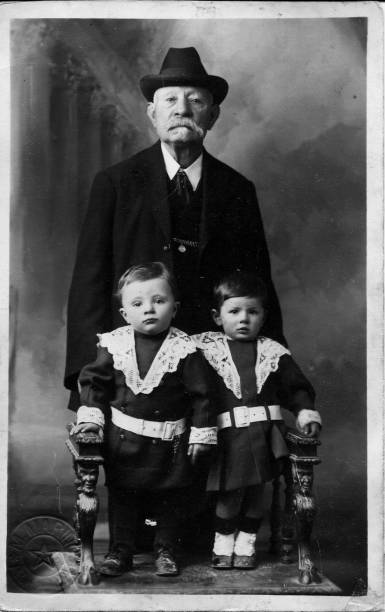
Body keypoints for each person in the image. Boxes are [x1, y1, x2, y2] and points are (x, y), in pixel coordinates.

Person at [64, 46, 285, 411]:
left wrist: (272, 373)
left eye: (195, 101)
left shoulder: (237, 190)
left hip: (215, 375)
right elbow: (89, 285)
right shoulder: (116, 183)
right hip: (132, 373)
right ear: (153, 114)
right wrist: (87, 386)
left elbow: (258, 284)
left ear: (212, 115)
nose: (182, 110)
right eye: (169, 100)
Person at [74, 262, 217, 577]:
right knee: (124, 496)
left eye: (159, 301)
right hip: (125, 442)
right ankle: (120, 551)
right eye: (137, 304)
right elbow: (94, 382)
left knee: (171, 499)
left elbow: (202, 395)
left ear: (175, 308)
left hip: (170, 445)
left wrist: (201, 434)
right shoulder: (115, 344)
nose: (149, 309)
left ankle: (166, 550)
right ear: (125, 313)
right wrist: (92, 417)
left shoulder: (185, 348)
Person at [193, 271, 321, 570]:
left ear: (263, 316)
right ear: (217, 316)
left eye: (252, 312)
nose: (243, 319)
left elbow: (296, 387)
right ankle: (223, 543)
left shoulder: (272, 352)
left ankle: (247, 543)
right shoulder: (206, 350)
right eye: (234, 311)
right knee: (230, 492)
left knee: (256, 493)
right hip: (229, 437)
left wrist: (304, 411)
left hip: (265, 434)